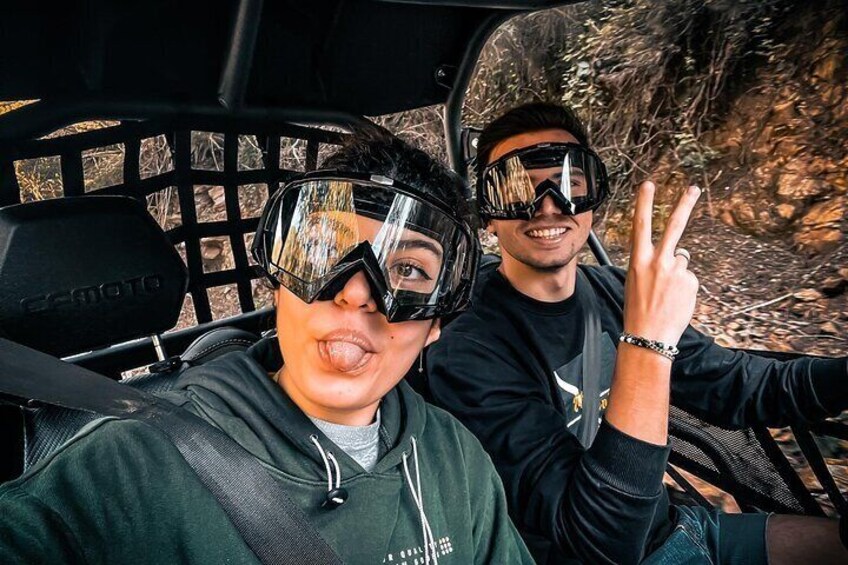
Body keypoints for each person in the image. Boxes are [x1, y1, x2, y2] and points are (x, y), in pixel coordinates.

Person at [0, 130, 534, 564]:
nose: (355, 293)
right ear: (277, 283)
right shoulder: (127, 471)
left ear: (436, 321)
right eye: (326, 250)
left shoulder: (454, 459)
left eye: (409, 270)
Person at [426, 102, 848, 564]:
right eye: (516, 190)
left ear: (592, 199)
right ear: (487, 212)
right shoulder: (467, 346)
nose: (548, 206)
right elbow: (597, 540)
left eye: (569, 184)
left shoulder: (617, 291)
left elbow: (737, 386)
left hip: (679, 524)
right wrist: (649, 342)